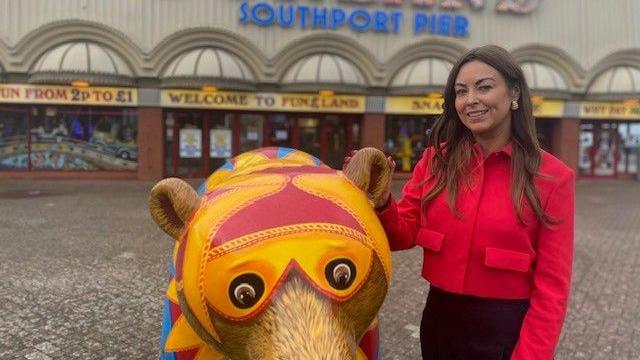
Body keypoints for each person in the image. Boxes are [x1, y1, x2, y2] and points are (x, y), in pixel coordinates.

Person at [345, 45, 574, 359]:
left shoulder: (553, 178)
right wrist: (383, 200)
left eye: (484, 87)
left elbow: (552, 290)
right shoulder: (437, 160)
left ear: (514, 92)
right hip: (440, 321)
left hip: (507, 331)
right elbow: (403, 234)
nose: (471, 100)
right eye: (461, 91)